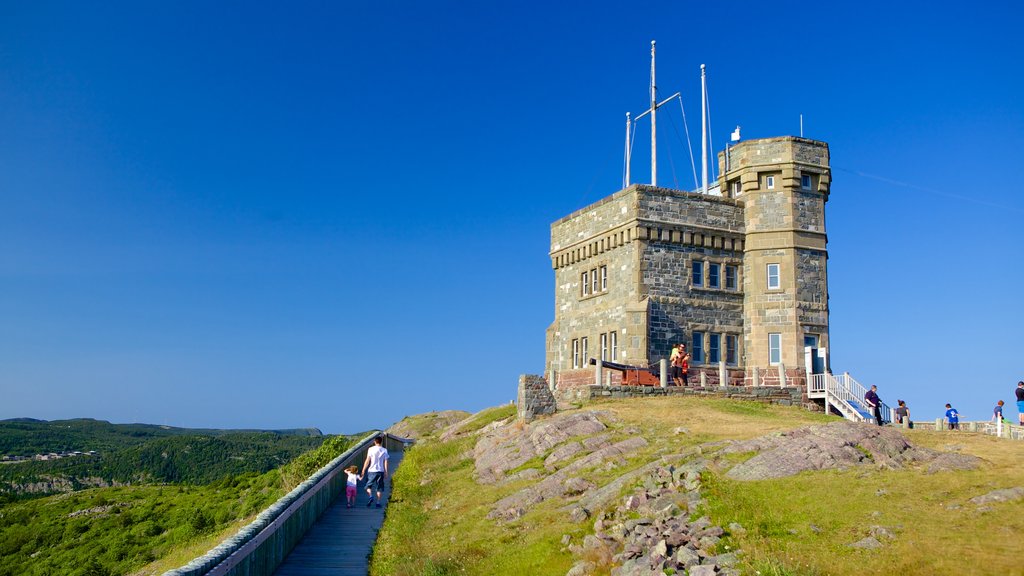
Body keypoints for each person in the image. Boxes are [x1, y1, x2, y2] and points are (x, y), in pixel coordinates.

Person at [360, 436, 390, 508]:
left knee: (368, 486)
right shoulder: (384, 450)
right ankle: (378, 502)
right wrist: (386, 472)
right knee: (379, 487)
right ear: (381, 441)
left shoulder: (370, 449)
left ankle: (370, 496)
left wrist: (363, 470)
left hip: (371, 471)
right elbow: (386, 462)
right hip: (380, 471)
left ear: (375, 441)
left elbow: (367, 461)